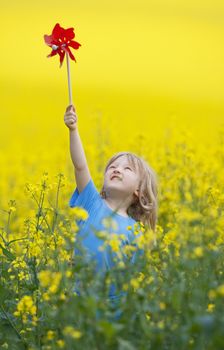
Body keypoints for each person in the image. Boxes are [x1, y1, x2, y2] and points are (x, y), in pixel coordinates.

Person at [64, 104, 158, 306]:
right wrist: (73, 130)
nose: (117, 170)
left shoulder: (136, 232)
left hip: (110, 311)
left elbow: (131, 281)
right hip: (77, 302)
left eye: (127, 168)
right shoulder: (91, 203)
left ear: (139, 191)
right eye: (112, 167)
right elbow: (80, 166)